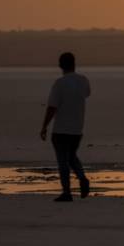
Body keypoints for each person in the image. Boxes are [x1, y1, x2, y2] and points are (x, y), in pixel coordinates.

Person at [40, 51, 91, 202]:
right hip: (77, 128)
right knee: (71, 156)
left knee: (63, 160)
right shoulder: (83, 80)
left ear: (61, 65)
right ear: (74, 64)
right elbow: (87, 94)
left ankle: (67, 192)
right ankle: (82, 178)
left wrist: (44, 126)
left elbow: (52, 107)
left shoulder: (59, 83)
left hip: (61, 129)